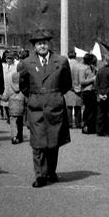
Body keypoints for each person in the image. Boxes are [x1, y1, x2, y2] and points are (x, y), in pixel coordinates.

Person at [18, 29, 71, 188]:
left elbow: (66, 84)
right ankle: (40, 176)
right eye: (39, 43)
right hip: (36, 108)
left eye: (45, 43)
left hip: (55, 106)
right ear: (34, 46)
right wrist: (36, 97)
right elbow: (23, 86)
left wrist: (54, 96)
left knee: (53, 142)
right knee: (38, 143)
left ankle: (51, 171)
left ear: (49, 44)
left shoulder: (61, 61)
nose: (42, 46)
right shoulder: (26, 63)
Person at [2, 51, 23, 143]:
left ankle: (15, 135)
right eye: (7, 58)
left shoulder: (15, 68)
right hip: (8, 88)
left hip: (11, 90)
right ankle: (18, 135)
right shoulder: (3, 66)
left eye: (10, 58)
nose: (8, 60)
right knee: (17, 117)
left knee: (13, 116)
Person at [80, 53, 98, 134]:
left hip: (92, 91)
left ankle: (91, 127)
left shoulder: (91, 68)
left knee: (91, 110)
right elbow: (82, 81)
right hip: (87, 91)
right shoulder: (83, 69)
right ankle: (87, 127)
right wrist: (92, 79)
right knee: (88, 110)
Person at [65, 51, 83, 129]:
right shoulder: (79, 65)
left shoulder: (66, 65)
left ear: (68, 56)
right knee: (78, 107)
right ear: (75, 56)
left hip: (69, 88)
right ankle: (78, 123)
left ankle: (69, 123)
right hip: (78, 88)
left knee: (69, 107)